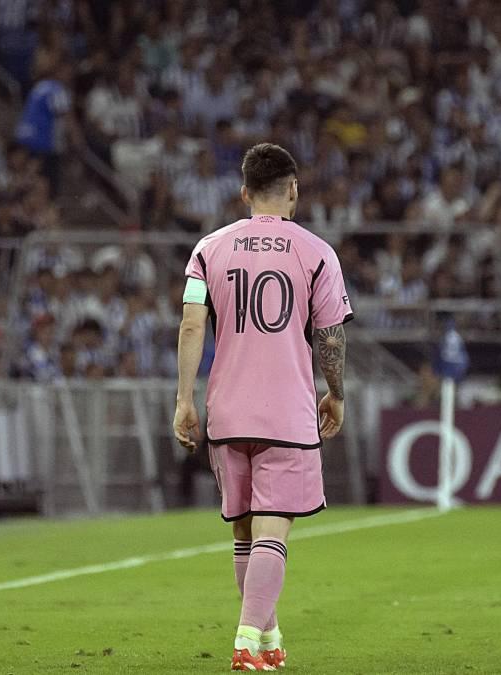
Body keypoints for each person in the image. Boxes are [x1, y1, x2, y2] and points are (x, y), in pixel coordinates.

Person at [172, 143, 353, 671]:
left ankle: (269, 637)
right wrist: (336, 393)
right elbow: (330, 334)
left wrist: (184, 399)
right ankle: (246, 641)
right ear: (293, 189)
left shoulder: (208, 249)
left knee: (244, 532)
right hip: (286, 413)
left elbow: (190, 323)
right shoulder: (318, 252)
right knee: (273, 529)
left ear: (244, 192)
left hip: (226, 410)